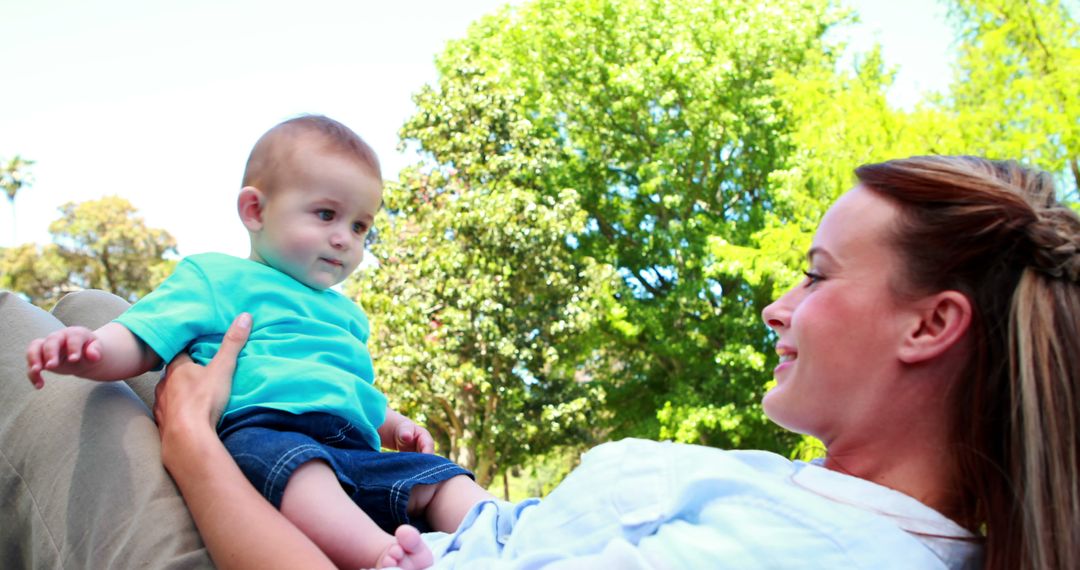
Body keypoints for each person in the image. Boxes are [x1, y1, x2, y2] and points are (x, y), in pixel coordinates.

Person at [153, 155, 1078, 570]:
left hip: (269, 540)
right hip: (397, 524)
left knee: (21, 335)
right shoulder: (825, 507)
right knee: (88, 318)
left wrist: (194, 441)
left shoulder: (798, 555)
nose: (777, 305)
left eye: (816, 274)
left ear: (930, 327)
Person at [24, 115, 492, 569]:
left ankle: (494, 530)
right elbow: (146, 335)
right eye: (327, 214)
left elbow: (345, 387)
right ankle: (378, 556)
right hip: (266, 432)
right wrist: (90, 350)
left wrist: (393, 426)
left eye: (359, 226)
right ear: (255, 210)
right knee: (304, 474)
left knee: (441, 477)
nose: (344, 239)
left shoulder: (346, 313)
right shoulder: (218, 278)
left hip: (356, 450)